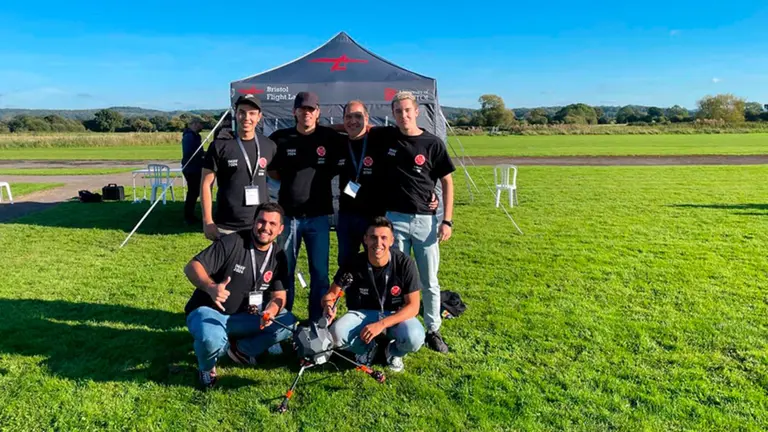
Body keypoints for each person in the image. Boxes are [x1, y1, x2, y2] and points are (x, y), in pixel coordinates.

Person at [375, 91, 455, 354]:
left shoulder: (432, 143)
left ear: (417, 111)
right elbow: (358, 126)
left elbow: (447, 181)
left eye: (407, 110)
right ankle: (398, 327)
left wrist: (447, 220)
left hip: (425, 222)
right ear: (393, 114)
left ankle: (433, 329)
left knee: (429, 280)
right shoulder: (387, 137)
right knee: (395, 278)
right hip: (394, 221)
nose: (403, 115)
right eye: (398, 111)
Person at [183, 202, 296, 389]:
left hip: (246, 317)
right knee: (210, 339)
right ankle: (207, 368)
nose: (265, 227)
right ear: (254, 222)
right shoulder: (232, 242)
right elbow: (192, 267)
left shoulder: (278, 256)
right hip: (210, 312)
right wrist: (211, 287)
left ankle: (240, 350)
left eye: (272, 224)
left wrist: (271, 310)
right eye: (261, 221)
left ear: (280, 229)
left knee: (288, 323)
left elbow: (279, 295)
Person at [335, 100, 439, 267]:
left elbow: (412, 168)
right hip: (347, 215)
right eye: (348, 117)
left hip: (375, 216)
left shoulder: (382, 140)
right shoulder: (338, 143)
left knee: (378, 263)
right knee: (346, 264)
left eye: (358, 116)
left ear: (367, 118)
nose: (353, 121)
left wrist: (430, 192)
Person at [267, 92, 342, 322]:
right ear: (294, 112)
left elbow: (353, 133)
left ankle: (317, 321)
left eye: (311, 109)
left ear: (318, 112)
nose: (306, 113)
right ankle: (284, 320)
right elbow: (273, 171)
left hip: (318, 217)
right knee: (285, 271)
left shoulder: (329, 137)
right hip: (288, 217)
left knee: (319, 272)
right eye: (302, 109)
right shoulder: (280, 138)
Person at [324, 216, 425, 372]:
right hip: (362, 313)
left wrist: (382, 324)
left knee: (415, 337)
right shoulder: (353, 262)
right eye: (373, 237)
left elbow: (414, 306)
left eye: (384, 238)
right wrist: (328, 306)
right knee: (336, 334)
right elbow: (331, 294)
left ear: (391, 240)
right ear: (365, 239)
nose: (378, 243)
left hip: (394, 314)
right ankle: (366, 349)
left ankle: (393, 352)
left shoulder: (405, 263)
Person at [201, 94, 278, 240]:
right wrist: (208, 221)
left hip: (260, 225)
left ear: (259, 117)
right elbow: (206, 184)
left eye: (252, 113)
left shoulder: (269, 145)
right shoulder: (220, 145)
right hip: (226, 226)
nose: (247, 118)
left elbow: (276, 174)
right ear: (236, 114)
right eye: (242, 112)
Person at [181, 118, 204, 224]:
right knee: (193, 192)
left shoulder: (195, 136)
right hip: (191, 168)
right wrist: (201, 156)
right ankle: (188, 216)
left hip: (195, 167)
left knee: (194, 192)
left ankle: (190, 214)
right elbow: (189, 152)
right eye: (200, 124)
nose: (202, 126)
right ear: (194, 124)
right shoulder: (189, 136)